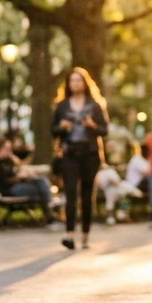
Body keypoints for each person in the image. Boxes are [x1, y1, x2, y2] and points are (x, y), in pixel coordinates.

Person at [53, 67, 109, 250]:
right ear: (68, 84)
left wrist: (92, 125)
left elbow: (104, 130)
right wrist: (61, 126)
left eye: (79, 80)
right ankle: (69, 234)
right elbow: (52, 130)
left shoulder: (94, 105)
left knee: (87, 194)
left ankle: (85, 234)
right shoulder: (62, 106)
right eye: (72, 81)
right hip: (70, 154)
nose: (75, 84)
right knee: (70, 193)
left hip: (90, 154)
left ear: (85, 83)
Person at [0, 139, 59, 226]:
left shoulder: (6, 161)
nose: (10, 152)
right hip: (9, 190)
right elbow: (5, 181)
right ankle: (50, 213)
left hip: (16, 186)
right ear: (1, 149)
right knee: (42, 187)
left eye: (10, 149)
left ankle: (50, 213)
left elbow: (15, 171)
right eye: (8, 149)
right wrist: (19, 177)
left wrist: (21, 171)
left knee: (41, 181)